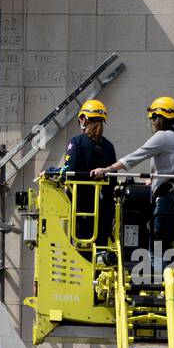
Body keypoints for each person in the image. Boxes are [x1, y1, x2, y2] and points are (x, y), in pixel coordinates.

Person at [93, 96, 174, 264]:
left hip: (168, 201)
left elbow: (137, 155)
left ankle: (158, 284)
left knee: (158, 250)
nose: (152, 123)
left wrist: (108, 169)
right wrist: (154, 180)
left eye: (153, 118)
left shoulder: (162, 136)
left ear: (159, 118)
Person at [58, 100, 117, 243]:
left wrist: (55, 172)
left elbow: (69, 170)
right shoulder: (109, 146)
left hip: (82, 207)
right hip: (105, 210)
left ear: (84, 119)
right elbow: (113, 179)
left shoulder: (77, 142)